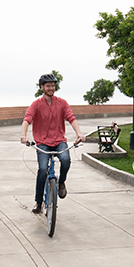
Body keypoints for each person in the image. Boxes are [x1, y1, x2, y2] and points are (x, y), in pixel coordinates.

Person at [21, 73, 82, 214]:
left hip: (59, 141)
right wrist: (23, 135)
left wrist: (79, 133)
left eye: (53, 86)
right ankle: (38, 202)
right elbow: (27, 119)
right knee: (42, 169)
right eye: (48, 86)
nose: (51, 88)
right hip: (42, 143)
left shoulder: (62, 103)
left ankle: (61, 182)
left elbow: (71, 118)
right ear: (42, 87)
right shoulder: (36, 105)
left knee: (66, 160)